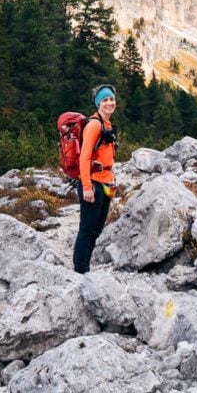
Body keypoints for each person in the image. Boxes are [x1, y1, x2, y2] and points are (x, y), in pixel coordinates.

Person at [73, 83, 118, 274]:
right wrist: (87, 186)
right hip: (93, 183)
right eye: (105, 100)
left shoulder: (107, 125)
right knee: (87, 229)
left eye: (111, 99)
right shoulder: (94, 125)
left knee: (97, 230)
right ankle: (80, 270)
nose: (109, 103)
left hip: (106, 182)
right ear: (98, 104)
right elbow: (84, 157)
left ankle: (85, 266)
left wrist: (112, 180)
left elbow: (107, 157)